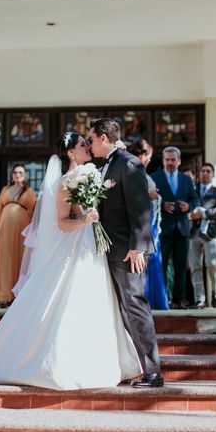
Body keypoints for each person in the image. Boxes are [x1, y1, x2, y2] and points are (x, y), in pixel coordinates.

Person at [0, 133, 142, 389]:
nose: (87, 147)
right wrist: (84, 220)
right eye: (82, 144)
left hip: (92, 249)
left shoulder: (93, 172)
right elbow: (61, 223)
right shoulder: (66, 182)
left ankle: (104, 359)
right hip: (74, 245)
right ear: (70, 153)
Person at [90, 118, 162, 388]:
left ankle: (153, 372)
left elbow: (142, 208)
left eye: (92, 139)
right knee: (122, 310)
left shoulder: (129, 163)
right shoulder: (108, 164)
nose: (90, 144)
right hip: (110, 249)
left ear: (104, 138)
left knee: (136, 306)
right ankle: (134, 367)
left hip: (128, 250)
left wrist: (137, 247)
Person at [150, 146, 198, 309]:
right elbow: (148, 199)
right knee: (161, 266)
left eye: (173, 160)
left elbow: (195, 200)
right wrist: (162, 205)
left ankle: (179, 300)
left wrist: (188, 206)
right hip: (164, 229)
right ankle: (163, 300)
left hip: (183, 229)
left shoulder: (186, 180)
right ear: (163, 161)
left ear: (179, 161)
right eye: (167, 160)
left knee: (180, 267)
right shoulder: (154, 177)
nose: (170, 162)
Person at [0, 164, 36, 308]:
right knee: (5, 258)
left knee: (20, 259)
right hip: (4, 229)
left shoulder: (30, 191)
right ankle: (4, 296)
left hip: (22, 229)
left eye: (20, 172)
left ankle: (19, 295)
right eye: (15, 172)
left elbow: (34, 211)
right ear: (12, 175)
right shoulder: (5, 190)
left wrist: (34, 231)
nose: (17, 174)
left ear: (25, 174)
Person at [128, 140, 168, 311]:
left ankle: (152, 301)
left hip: (150, 225)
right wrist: (149, 193)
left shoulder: (140, 171)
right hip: (141, 226)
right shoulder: (133, 171)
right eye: (149, 157)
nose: (149, 161)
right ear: (143, 155)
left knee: (153, 262)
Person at [188, 163, 216, 309]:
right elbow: (187, 206)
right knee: (195, 267)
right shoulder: (192, 190)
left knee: (212, 264)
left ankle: (215, 291)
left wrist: (204, 213)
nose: (205, 173)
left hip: (210, 234)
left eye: (208, 171)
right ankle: (200, 299)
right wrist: (191, 215)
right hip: (193, 233)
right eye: (203, 171)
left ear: (213, 174)